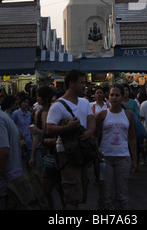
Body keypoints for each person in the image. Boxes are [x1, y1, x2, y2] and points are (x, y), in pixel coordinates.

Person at [46, 69, 95, 210]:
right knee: (72, 195)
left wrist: (90, 132)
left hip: (82, 152)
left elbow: (92, 119)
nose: (84, 86)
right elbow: (49, 129)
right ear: (71, 83)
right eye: (82, 83)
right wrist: (68, 128)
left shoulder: (84, 102)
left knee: (77, 195)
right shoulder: (58, 106)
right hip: (67, 154)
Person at [94, 84, 137, 210]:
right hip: (105, 158)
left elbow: (132, 137)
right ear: (108, 96)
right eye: (112, 95)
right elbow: (95, 135)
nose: (114, 98)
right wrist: (96, 150)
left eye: (117, 95)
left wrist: (134, 159)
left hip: (123, 158)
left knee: (122, 195)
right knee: (105, 196)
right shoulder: (102, 115)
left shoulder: (128, 115)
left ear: (122, 96)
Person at [29, 86, 64, 209]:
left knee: (59, 188)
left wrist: (39, 132)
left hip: (58, 154)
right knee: (45, 188)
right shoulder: (38, 114)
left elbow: (41, 133)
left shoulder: (54, 113)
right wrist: (32, 155)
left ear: (46, 98)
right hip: (46, 154)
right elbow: (35, 136)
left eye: (39, 96)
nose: (37, 98)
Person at [11, 95, 33, 165]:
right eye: (24, 102)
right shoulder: (16, 113)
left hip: (28, 139)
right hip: (19, 139)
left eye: (27, 102)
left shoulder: (29, 114)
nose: (25, 104)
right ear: (20, 103)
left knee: (28, 157)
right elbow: (12, 125)